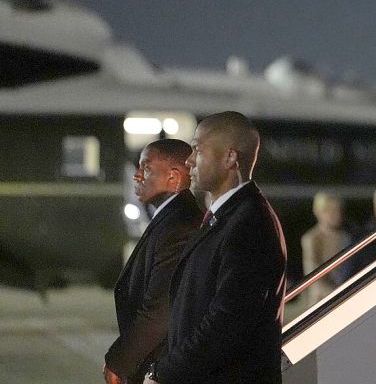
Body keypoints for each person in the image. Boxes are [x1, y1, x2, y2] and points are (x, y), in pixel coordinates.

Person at [144, 111, 286, 384]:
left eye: (197, 149)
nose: (188, 160)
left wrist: (164, 373)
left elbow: (227, 322)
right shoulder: (230, 217)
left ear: (230, 158)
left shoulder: (249, 224)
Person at [104, 139, 202, 384]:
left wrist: (120, 362)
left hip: (163, 366)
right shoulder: (169, 219)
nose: (136, 176)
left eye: (146, 168)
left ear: (175, 177)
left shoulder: (178, 226)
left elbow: (161, 308)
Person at [300, 190, 351, 306]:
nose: (335, 214)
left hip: (345, 295)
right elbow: (314, 277)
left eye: (337, 210)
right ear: (318, 212)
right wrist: (338, 296)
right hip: (322, 302)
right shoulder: (312, 239)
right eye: (329, 211)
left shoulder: (347, 236)